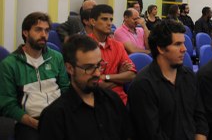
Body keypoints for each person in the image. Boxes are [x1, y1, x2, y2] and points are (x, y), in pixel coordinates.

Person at [38, 35, 132, 140]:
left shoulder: (113, 100)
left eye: (99, 65)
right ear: (70, 68)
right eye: (89, 68)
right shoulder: (55, 116)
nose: (97, 73)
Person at [128, 20, 208, 139]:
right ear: (160, 48)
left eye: (184, 43)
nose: (184, 49)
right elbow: (152, 134)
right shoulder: (143, 85)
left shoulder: (188, 76)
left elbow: (200, 115)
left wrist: (200, 136)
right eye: (177, 44)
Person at [0, 12, 70, 140]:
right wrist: (38, 124)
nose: (44, 35)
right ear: (25, 33)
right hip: (30, 121)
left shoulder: (56, 57)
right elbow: (8, 105)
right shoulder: (9, 64)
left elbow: (66, 89)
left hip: (58, 117)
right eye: (38, 30)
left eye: (47, 30)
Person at [88, 4, 136, 104]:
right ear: (93, 21)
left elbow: (131, 75)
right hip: (96, 102)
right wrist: (120, 77)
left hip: (121, 101)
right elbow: (95, 85)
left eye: (111, 19)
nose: (109, 23)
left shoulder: (118, 46)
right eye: (105, 19)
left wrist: (106, 77)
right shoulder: (84, 45)